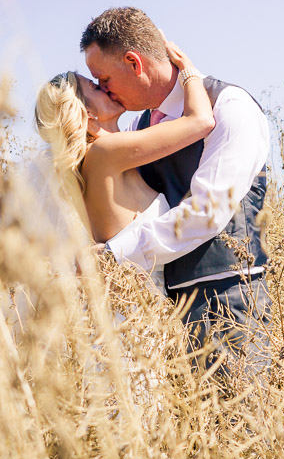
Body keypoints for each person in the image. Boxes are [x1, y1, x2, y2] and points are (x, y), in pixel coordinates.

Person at [80, 6, 273, 388]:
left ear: (134, 63)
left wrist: (115, 253)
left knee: (236, 433)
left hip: (227, 304)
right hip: (159, 315)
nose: (103, 89)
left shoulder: (231, 109)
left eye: (103, 78)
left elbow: (206, 212)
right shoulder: (139, 126)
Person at [33, 39, 214, 290]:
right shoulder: (106, 152)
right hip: (142, 304)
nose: (105, 88)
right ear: (88, 113)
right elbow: (201, 121)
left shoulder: (94, 157)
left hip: (135, 299)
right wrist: (188, 69)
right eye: (95, 88)